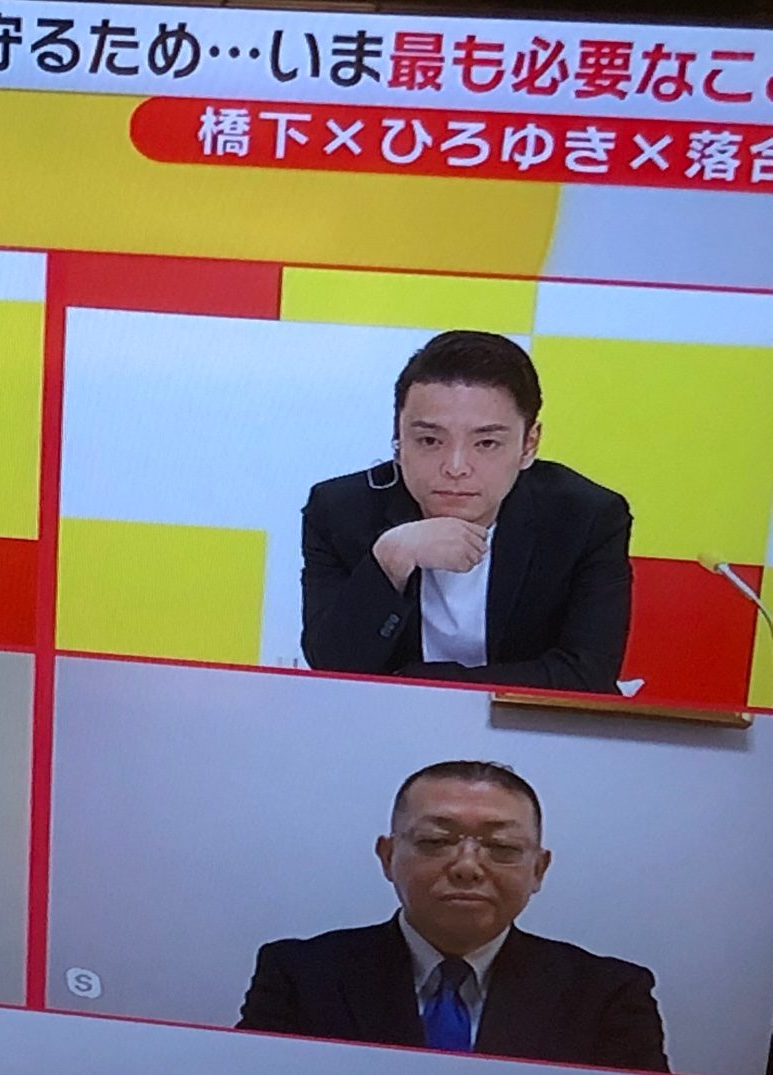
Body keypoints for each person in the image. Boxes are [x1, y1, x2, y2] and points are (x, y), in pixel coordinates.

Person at [237, 761, 666, 1071]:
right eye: (435, 841)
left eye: (501, 848)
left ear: (539, 869)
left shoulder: (608, 994)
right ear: (388, 857)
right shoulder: (300, 975)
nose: (467, 867)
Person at [301, 331, 631, 694]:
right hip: (387, 723)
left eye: (486, 443)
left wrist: (416, 683)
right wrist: (391, 559)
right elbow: (332, 669)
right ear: (398, 439)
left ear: (529, 444)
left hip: (529, 724)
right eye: (430, 440)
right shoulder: (339, 510)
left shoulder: (586, 517)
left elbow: (586, 675)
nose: (455, 467)